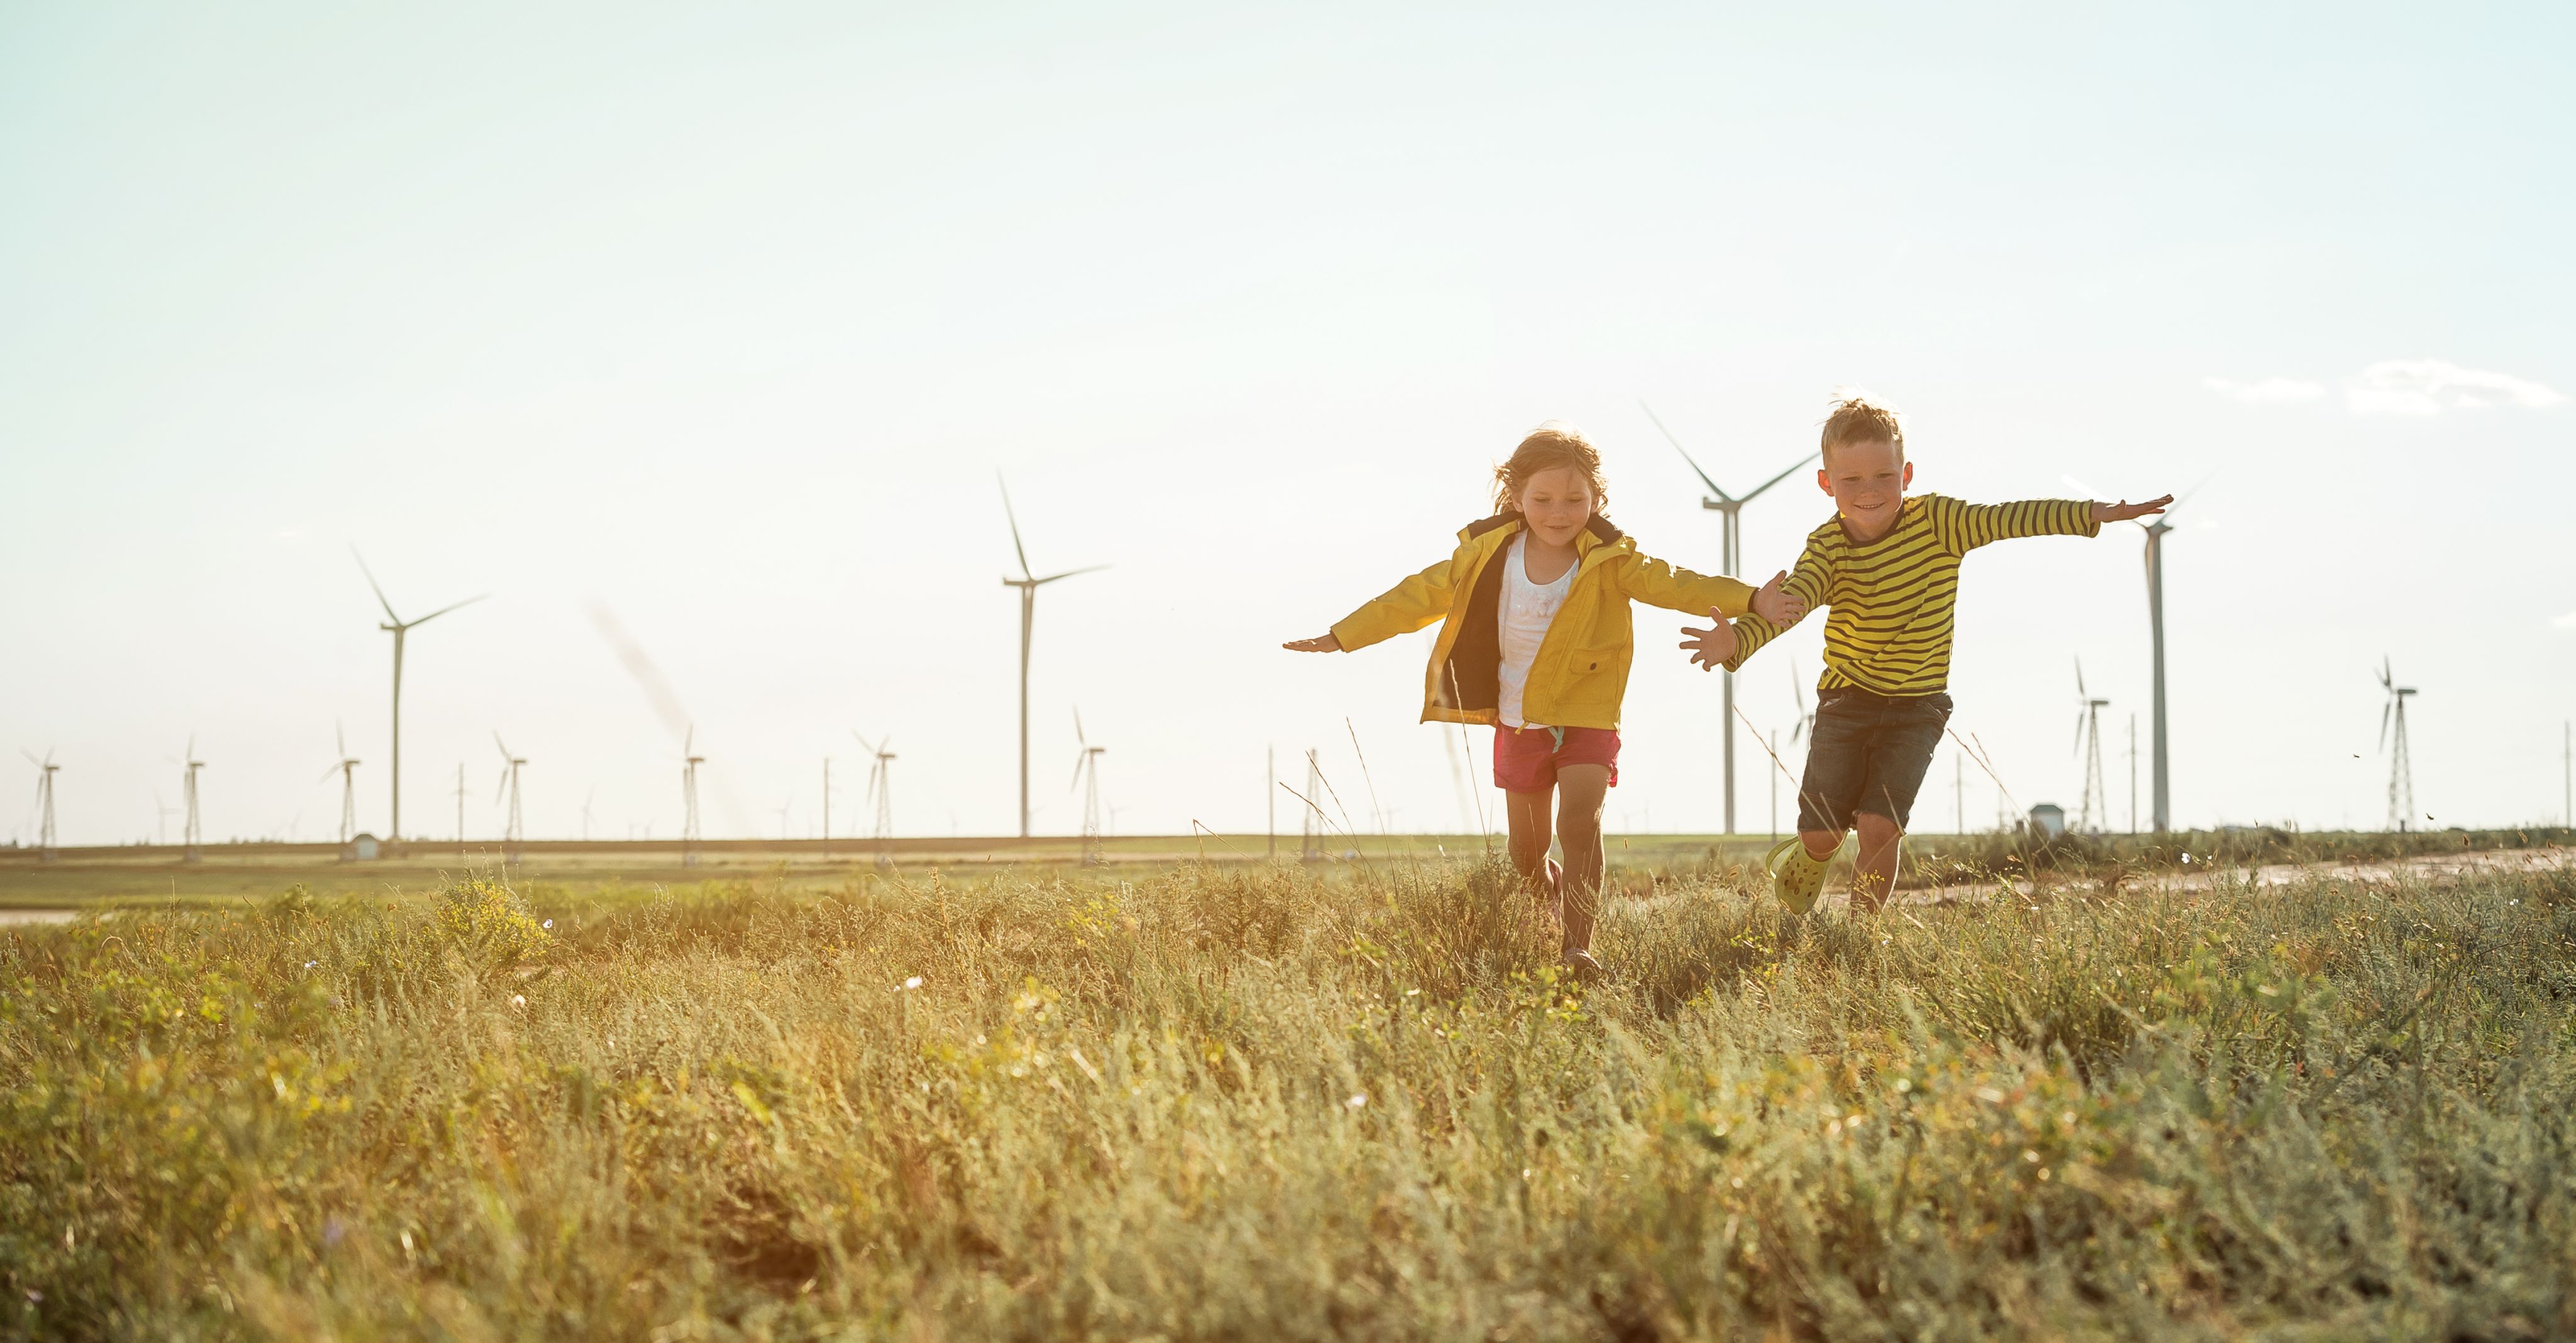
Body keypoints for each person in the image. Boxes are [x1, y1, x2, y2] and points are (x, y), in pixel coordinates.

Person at [1286, 422, 1804, 977]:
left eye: (1575, 500)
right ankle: (1553, 897)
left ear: (1597, 500)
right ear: (1516, 498)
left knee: (1579, 825)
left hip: (1587, 713)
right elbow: (1415, 595)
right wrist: (1344, 634)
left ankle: (1578, 946)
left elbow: (1677, 582)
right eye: (1544, 499)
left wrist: (1750, 597)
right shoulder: (1486, 554)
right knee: (1526, 856)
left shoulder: (1611, 560)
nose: (1560, 512)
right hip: (1519, 719)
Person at [1680, 393, 2169, 915]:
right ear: (1827, 484)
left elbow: (2011, 518)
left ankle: (1861, 930)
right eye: (1852, 481)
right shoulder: (1828, 546)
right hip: (1847, 700)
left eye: (1883, 477)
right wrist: (1737, 639)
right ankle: (1812, 853)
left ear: (1906, 474)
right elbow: (1790, 604)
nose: (1870, 491)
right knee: (1823, 835)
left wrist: (2092, 513)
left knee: (1879, 826)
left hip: (1918, 706)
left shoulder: (1939, 521)